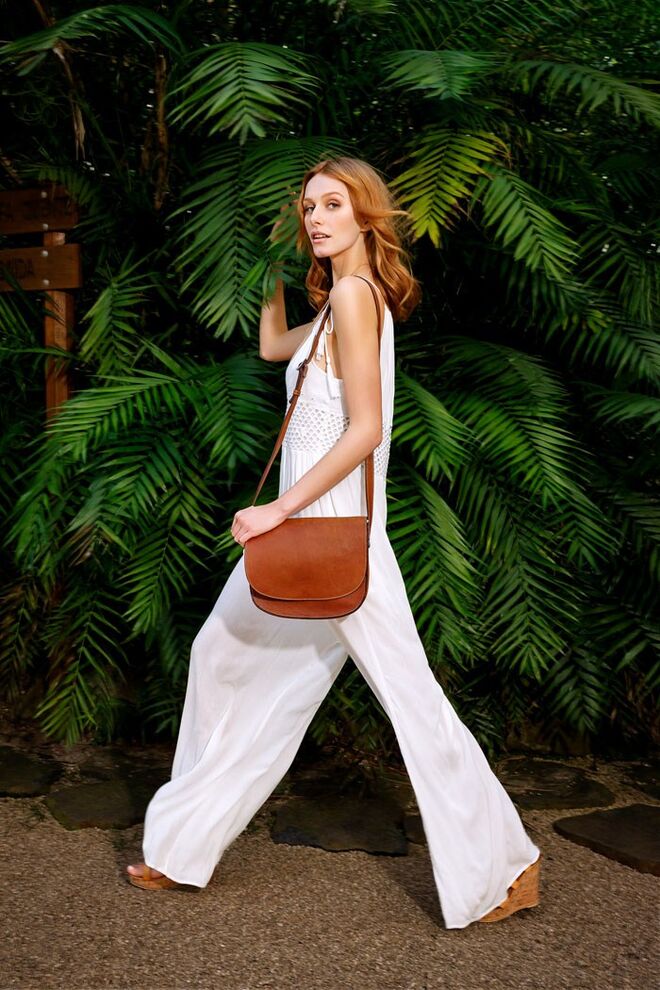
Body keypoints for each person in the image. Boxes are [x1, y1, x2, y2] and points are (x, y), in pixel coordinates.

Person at [126, 156, 542, 929]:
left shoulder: (356, 296)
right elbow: (271, 346)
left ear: (365, 215)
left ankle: (505, 865)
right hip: (304, 533)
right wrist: (269, 271)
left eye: (332, 205)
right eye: (308, 207)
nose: (315, 218)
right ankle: (181, 846)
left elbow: (368, 429)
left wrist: (276, 509)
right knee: (222, 657)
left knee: (411, 700)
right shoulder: (337, 304)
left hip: (332, 530)